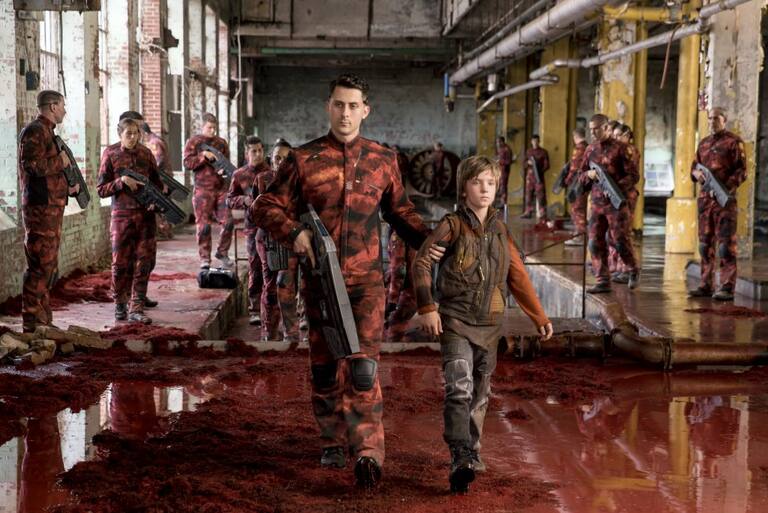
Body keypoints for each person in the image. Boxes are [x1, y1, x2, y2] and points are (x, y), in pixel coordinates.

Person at [250, 73, 434, 489]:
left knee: (363, 368)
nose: (345, 113)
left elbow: (401, 213)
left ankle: (368, 451)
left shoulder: (383, 159)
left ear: (365, 110)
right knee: (324, 367)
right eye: (338, 105)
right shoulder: (303, 159)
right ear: (328, 107)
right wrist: (294, 232)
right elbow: (264, 206)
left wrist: (433, 242)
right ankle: (332, 440)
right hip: (319, 282)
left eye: (353, 106)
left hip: (367, 283)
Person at [411, 155, 553, 493]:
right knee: (459, 388)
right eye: (477, 182)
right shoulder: (451, 225)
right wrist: (427, 307)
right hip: (456, 320)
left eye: (490, 182)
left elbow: (517, 275)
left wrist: (539, 316)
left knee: (480, 394)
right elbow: (421, 263)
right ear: (464, 188)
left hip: (490, 325)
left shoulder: (501, 230)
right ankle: (459, 455)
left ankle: (472, 452)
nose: (485, 189)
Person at [18, 90, 80, 333]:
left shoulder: (48, 133)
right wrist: (60, 162)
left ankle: (43, 321)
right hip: (40, 211)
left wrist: (68, 186)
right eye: (62, 105)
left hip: (51, 209)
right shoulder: (35, 131)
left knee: (49, 267)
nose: (65, 110)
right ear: (53, 106)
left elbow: (48, 176)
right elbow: (31, 166)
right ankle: (31, 323)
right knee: (39, 266)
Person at [97, 117, 163, 324]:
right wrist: (121, 182)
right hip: (121, 217)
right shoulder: (110, 154)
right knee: (120, 263)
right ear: (120, 134)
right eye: (129, 134)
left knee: (144, 262)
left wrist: (155, 202)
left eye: (136, 133)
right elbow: (101, 190)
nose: (133, 137)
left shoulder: (146, 154)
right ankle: (120, 303)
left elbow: (157, 185)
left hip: (146, 217)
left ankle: (137, 307)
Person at [688, 107, 747, 301]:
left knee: (725, 247)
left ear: (724, 120)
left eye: (716, 118)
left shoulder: (734, 142)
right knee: (704, 245)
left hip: (724, 202)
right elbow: (694, 167)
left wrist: (724, 188)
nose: (712, 121)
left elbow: (742, 172)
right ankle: (706, 284)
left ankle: (727, 287)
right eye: (710, 118)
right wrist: (696, 174)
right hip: (705, 202)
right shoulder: (703, 143)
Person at [578, 114, 640, 293]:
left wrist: (615, 188)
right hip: (597, 204)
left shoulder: (622, 149)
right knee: (594, 242)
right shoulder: (590, 149)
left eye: (596, 129)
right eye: (590, 129)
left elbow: (633, 176)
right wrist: (588, 175)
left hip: (616, 203)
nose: (592, 132)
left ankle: (633, 268)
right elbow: (581, 176)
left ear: (606, 128)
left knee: (620, 240)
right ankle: (602, 280)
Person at [257, 140, 305, 343]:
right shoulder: (262, 179)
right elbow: (254, 212)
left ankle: (291, 334)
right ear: (271, 159)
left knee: (285, 284)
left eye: (286, 159)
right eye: (277, 158)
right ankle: (269, 332)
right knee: (269, 288)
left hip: (291, 240)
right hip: (267, 239)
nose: (281, 162)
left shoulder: (300, 181)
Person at [227, 136, 269, 328]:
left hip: (274, 227)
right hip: (252, 228)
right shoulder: (240, 175)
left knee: (275, 267)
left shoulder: (272, 172)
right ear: (246, 153)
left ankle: (272, 308)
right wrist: (244, 200)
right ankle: (255, 310)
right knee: (255, 266)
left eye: (260, 150)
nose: (258, 154)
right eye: (254, 151)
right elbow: (229, 199)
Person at [183, 113, 234, 270]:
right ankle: (205, 258)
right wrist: (203, 156)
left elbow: (226, 164)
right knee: (204, 227)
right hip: (202, 190)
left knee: (228, 222)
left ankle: (222, 252)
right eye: (209, 127)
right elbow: (187, 163)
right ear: (202, 126)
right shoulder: (194, 142)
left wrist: (223, 173)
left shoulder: (221, 143)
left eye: (214, 128)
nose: (212, 131)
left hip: (221, 189)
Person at [609, 125, 641, 282]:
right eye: (614, 135)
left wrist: (615, 186)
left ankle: (628, 269)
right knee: (615, 232)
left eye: (618, 135)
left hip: (626, 195)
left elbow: (632, 176)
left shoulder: (630, 151)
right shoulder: (616, 150)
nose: (615, 138)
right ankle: (618, 267)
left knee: (624, 233)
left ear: (627, 135)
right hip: (616, 194)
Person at [140, 122, 175, 240]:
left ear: (144, 133)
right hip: (163, 177)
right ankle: (166, 232)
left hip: (161, 178)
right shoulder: (157, 140)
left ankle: (164, 232)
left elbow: (158, 161)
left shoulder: (154, 143)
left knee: (161, 204)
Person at [385, 231, 418, 342]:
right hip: (417, 291)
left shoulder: (399, 234)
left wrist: (392, 300)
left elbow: (399, 269)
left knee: (393, 334)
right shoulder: (418, 231)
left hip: (405, 294)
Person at [564, 128, 589, 246]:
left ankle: (580, 237)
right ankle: (579, 233)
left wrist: (567, 180)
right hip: (586, 182)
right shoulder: (588, 147)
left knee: (577, 209)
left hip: (578, 183)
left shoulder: (579, 149)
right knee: (581, 208)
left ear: (575, 137)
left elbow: (574, 168)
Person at [520, 135, 549, 220]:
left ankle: (542, 212)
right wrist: (528, 163)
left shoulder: (543, 152)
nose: (535, 143)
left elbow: (547, 165)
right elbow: (523, 163)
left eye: (536, 141)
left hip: (539, 177)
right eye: (533, 141)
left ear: (539, 141)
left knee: (541, 196)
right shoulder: (529, 151)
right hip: (530, 177)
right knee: (528, 195)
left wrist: (539, 169)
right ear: (531, 142)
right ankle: (528, 212)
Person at [495, 136, 515, 205]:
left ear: (503, 142)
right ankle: (499, 201)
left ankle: (503, 202)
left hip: (504, 171)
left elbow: (509, 161)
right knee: (498, 186)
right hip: (499, 170)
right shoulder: (500, 149)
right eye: (497, 142)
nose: (498, 143)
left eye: (499, 142)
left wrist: (500, 161)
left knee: (503, 186)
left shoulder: (507, 149)